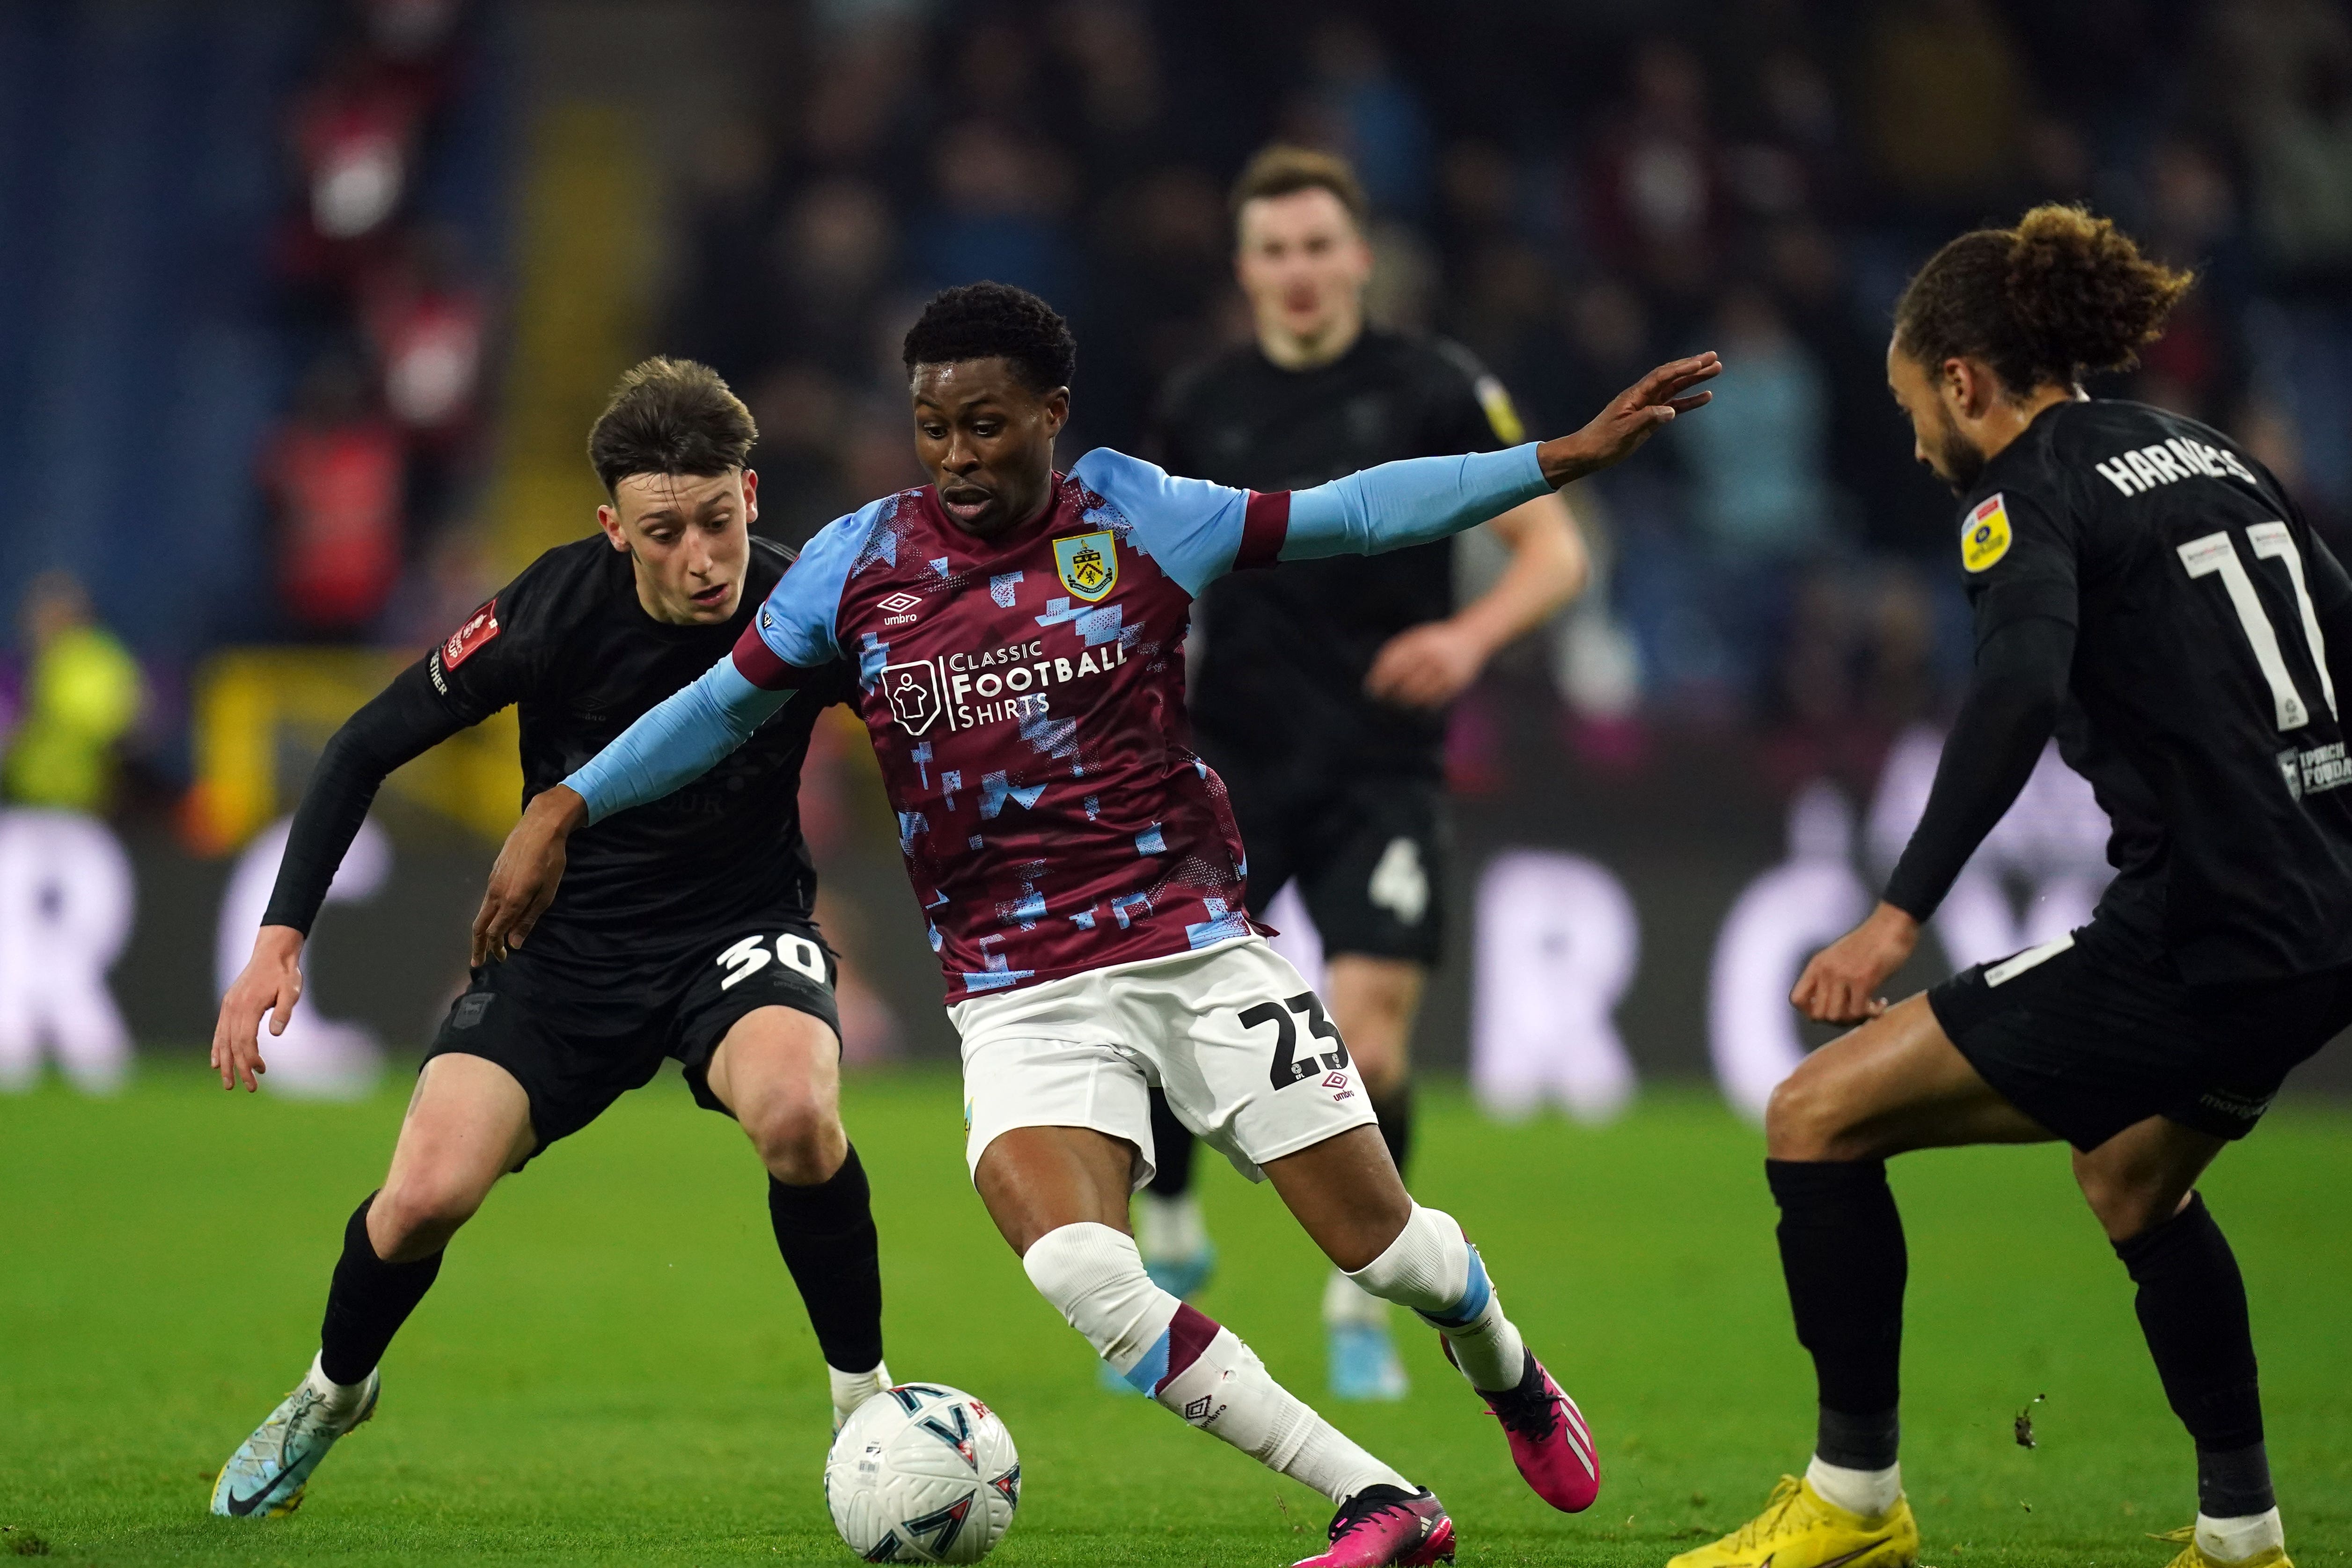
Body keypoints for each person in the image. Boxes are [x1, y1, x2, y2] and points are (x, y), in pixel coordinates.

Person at [472, 282, 1715, 1566]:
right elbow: (717, 709)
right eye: (933, 427)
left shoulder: (1136, 513)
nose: (957, 457)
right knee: (1078, 1267)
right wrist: (566, 799)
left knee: (1387, 1248)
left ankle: (1502, 1362)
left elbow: (1352, 511)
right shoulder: (858, 564)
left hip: (1192, 946)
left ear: (1052, 415)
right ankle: (1379, 1500)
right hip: (1016, 992)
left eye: (988, 425)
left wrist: (1554, 460)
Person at [1673, 207, 2344, 1568]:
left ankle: (1853, 1505)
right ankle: (2242, 1538)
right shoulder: (2210, 452)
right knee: (2130, 1181)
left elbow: (2020, 683)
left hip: (2202, 932)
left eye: (1910, 399)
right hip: (2323, 923)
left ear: (1963, 381)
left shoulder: (2023, 489)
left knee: (1812, 1115)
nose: (1916, 434)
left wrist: (1893, 912)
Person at [207, 359, 889, 1519]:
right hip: (563, 952)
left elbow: (929, 743)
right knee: (421, 1196)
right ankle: (333, 1391)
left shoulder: (804, 616)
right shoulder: (550, 609)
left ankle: (866, 1403)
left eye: (718, 521)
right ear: (610, 526)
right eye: (664, 531)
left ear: (753, 497)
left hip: (737, 932)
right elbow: (362, 744)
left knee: (796, 1112)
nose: (701, 559)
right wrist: (280, 934)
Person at [1151, 145, 1590, 1401]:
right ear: (1245, 270)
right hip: (1229, 753)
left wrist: (1466, 636)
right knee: (1173, 1008)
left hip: (1381, 761)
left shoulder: (1435, 386)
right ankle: (1172, 1206)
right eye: (1272, 251)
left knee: (1373, 1041)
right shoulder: (1202, 402)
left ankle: (1360, 1288)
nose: (1297, 272)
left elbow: (1551, 551)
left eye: (1316, 247)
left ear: (1359, 258)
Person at [1, 571, 144, 813]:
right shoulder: (19, 666)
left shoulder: (98, 664)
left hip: (86, 806)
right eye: (42, 612)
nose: (47, 620)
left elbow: (130, 724)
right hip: (21, 803)